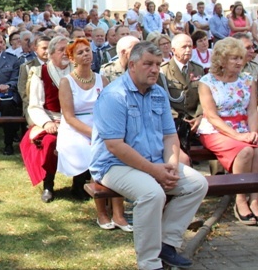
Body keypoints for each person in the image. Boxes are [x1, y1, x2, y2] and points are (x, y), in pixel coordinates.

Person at [90, 42, 208, 270]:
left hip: (153, 161)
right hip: (113, 165)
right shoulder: (114, 95)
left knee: (197, 184)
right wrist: (155, 171)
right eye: (148, 64)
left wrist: (171, 166)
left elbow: (170, 137)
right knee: (151, 193)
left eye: (157, 64)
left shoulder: (158, 94)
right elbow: (115, 146)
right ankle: (149, 263)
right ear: (132, 65)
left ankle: (166, 244)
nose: (154, 69)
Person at [57, 38, 132, 230]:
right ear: (73, 58)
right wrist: (96, 135)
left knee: (117, 154)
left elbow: (109, 108)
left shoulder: (102, 79)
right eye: (80, 52)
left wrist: (108, 131)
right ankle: (102, 213)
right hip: (76, 129)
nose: (86, 55)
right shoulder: (66, 82)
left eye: (88, 51)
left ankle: (118, 213)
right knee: (99, 154)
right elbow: (69, 117)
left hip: (101, 125)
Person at [197, 37, 258, 224]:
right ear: (222, 60)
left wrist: (253, 133)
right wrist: (239, 136)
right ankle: (239, 199)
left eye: (241, 58)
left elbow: (252, 110)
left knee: (256, 148)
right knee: (245, 150)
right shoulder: (206, 82)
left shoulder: (248, 80)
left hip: (244, 126)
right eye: (234, 58)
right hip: (215, 130)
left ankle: (255, 199)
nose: (240, 62)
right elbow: (212, 116)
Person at [20, 36, 71, 202]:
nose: (65, 53)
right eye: (61, 50)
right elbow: (34, 105)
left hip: (74, 121)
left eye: (68, 49)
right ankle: (48, 185)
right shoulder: (40, 72)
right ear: (51, 53)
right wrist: (47, 122)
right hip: (51, 119)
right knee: (49, 143)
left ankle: (80, 183)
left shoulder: (77, 71)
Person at [158, 34, 205, 164]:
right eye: (184, 47)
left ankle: (219, 177)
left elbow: (203, 96)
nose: (188, 50)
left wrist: (200, 116)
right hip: (174, 119)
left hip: (195, 118)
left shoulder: (198, 69)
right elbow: (162, 99)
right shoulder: (163, 71)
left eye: (190, 46)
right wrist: (176, 118)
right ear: (173, 50)